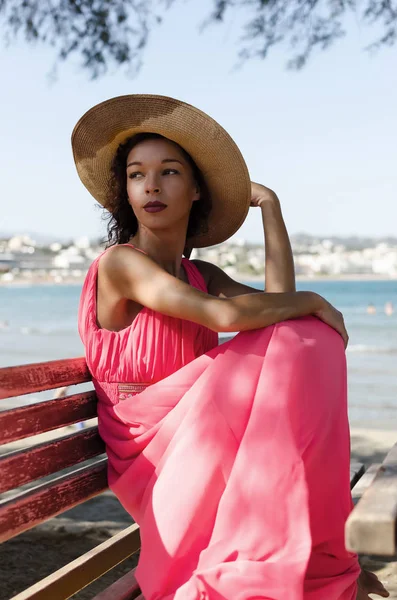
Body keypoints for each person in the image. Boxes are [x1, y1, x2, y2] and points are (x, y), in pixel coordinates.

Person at [73, 95, 388, 600]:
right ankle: (313, 558)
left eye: (170, 172)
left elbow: (282, 311)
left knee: (302, 333)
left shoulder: (201, 274)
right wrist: (312, 299)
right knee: (301, 326)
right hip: (150, 456)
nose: (151, 185)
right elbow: (227, 317)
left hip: (202, 439)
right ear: (125, 191)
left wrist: (270, 207)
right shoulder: (120, 265)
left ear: (196, 189)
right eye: (136, 174)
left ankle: (309, 558)